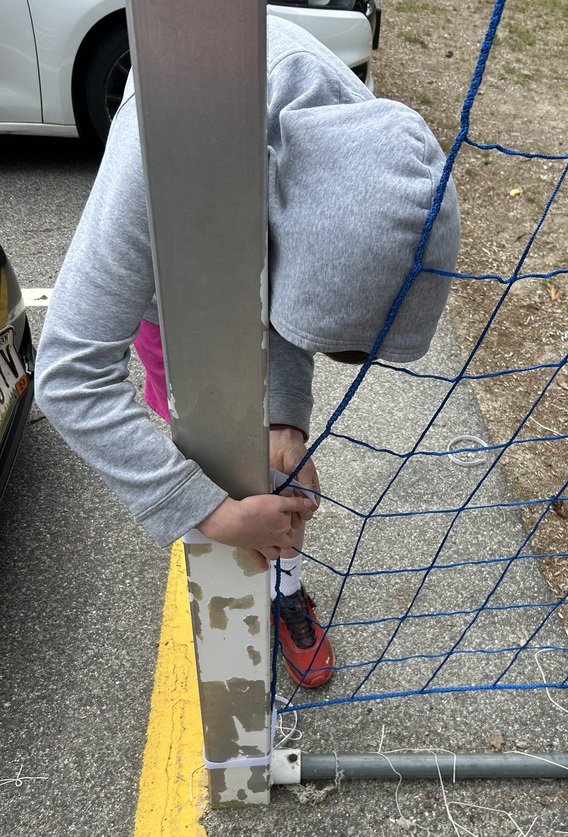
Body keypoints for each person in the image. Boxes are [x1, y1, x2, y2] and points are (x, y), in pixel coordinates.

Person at [35, 16, 460, 688]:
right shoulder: (163, 139)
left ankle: (282, 580)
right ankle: (227, 557)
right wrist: (206, 510)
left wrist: (285, 422)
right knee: (204, 448)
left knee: (268, 465)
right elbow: (69, 376)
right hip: (176, 295)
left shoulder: (358, 138)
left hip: (233, 207)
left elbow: (291, 274)